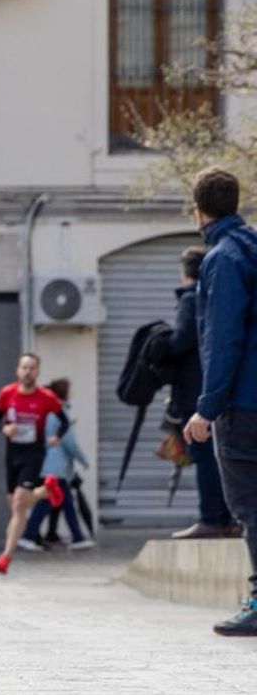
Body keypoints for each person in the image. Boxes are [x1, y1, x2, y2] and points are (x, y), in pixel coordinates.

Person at [181, 168, 257, 636]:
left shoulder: (221, 258)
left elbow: (223, 339)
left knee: (249, 508)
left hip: (243, 407)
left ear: (199, 210)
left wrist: (207, 408)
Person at [159, 245, 234, 539]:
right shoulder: (215, 299)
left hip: (196, 396)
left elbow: (181, 341)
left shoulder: (191, 300)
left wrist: (159, 345)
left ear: (185, 272)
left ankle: (212, 518)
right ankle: (226, 518)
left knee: (204, 456)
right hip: (213, 392)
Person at [0, 353, 67, 575]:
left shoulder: (46, 397)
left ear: (38, 371)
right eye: (24, 367)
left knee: (19, 503)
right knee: (16, 509)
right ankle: (46, 490)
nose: (27, 372)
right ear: (17, 370)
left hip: (33, 453)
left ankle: (5, 557)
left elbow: (63, 421)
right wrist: (4, 428)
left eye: (32, 368)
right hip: (12, 453)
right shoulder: (7, 393)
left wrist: (56, 437)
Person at [21, 378, 92, 551]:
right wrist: (83, 460)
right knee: (52, 503)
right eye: (70, 391)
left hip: (50, 466)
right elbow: (70, 442)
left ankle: (77, 537)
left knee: (65, 503)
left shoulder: (47, 411)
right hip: (55, 467)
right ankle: (29, 536)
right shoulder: (59, 413)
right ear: (64, 394)